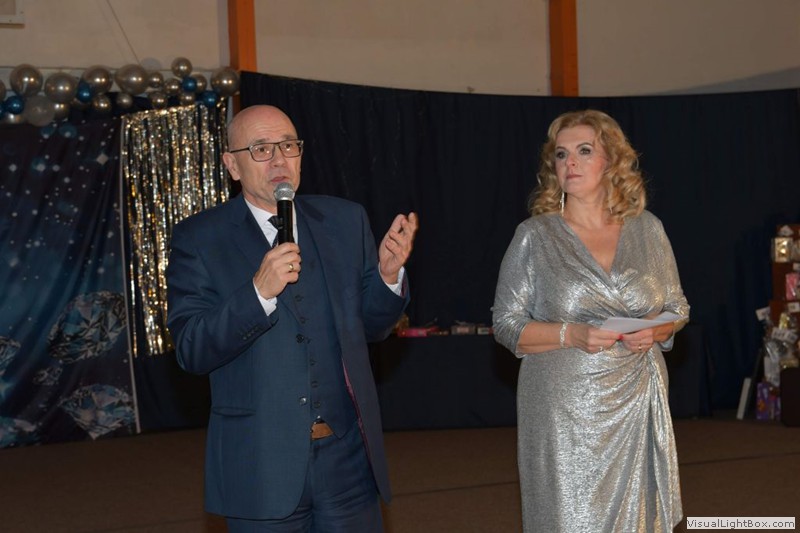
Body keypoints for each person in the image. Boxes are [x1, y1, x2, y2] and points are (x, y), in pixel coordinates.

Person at [166, 105, 418, 531]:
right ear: (232, 165)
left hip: (348, 462)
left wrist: (388, 277)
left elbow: (371, 328)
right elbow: (191, 349)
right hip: (260, 466)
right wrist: (257, 293)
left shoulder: (344, 220)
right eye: (261, 149)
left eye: (288, 146)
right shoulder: (200, 238)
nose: (279, 160)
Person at [492, 109, 689, 532]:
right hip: (563, 412)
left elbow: (678, 307)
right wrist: (572, 334)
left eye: (584, 151)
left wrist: (654, 330)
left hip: (637, 398)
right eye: (561, 154)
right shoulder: (535, 236)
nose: (571, 162)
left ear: (611, 161)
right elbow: (506, 324)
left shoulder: (648, 229)